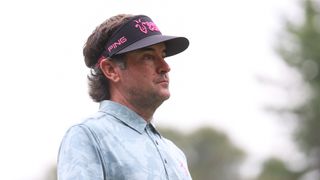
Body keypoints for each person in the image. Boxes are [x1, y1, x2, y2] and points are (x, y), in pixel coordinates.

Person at [57, 14, 191, 180]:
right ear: (111, 70)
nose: (165, 67)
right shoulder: (88, 136)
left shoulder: (175, 153)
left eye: (162, 55)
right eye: (148, 57)